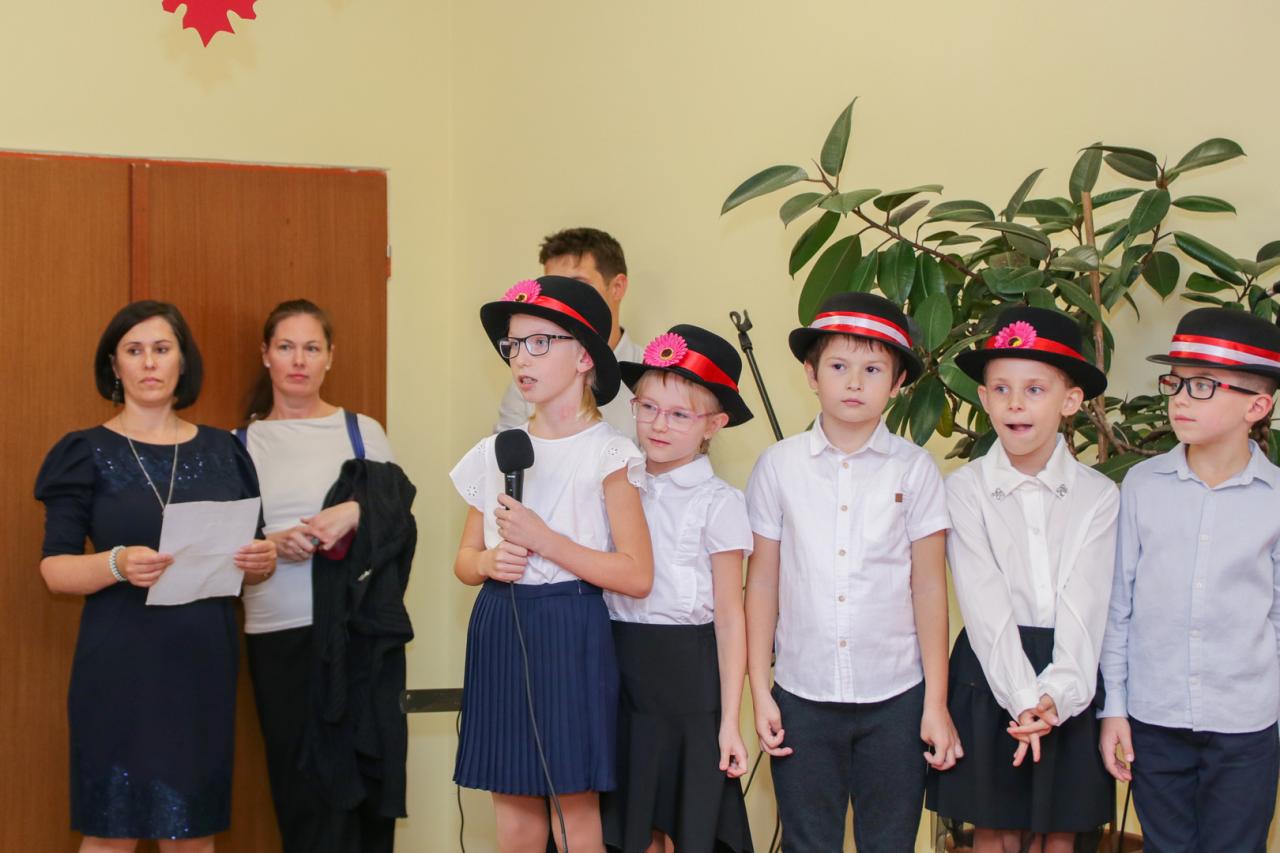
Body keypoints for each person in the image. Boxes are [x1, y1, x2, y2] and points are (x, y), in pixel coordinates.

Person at [34, 300, 276, 853]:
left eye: (162, 349)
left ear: (182, 362)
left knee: (191, 836)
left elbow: (251, 553)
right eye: (134, 350)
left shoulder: (225, 451)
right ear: (114, 366)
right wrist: (116, 563)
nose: (149, 363)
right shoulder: (84, 451)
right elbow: (54, 569)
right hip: (118, 666)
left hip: (201, 667)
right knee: (110, 836)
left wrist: (260, 562)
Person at [744, 292, 960, 852]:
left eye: (873, 370)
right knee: (807, 842)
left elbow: (929, 588)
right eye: (839, 366)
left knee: (889, 843)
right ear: (811, 374)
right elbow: (762, 582)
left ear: (898, 382)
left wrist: (934, 703)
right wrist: (760, 691)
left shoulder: (915, 471)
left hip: (896, 697)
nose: (855, 383)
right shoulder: (779, 467)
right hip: (801, 694)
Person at [451, 276, 654, 852]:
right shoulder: (497, 449)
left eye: (540, 343)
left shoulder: (610, 453)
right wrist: (489, 561)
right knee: (513, 808)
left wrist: (546, 541)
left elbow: (637, 574)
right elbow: (464, 561)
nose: (521, 358)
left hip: (570, 626)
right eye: (513, 345)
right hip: (500, 624)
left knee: (572, 803)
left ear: (585, 356)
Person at [926, 307, 1118, 853]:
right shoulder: (963, 490)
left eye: (1035, 389)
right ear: (983, 399)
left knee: (1060, 836)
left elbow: (1085, 603)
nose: (1015, 403)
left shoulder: (1099, 496)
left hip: (1069, 673)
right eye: (1001, 389)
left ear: (1070, 401)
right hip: (991, 672)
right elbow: (983, 601)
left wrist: (1054, 697)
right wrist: (1022, 697)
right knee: (996, 831)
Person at [1099, 307, 1280, 853]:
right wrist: (1114, 707)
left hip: (1246, 724)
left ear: (1257, 406)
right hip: (1155, 717)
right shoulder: (1142, 485)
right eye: (1174, 382)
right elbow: (1119, 606)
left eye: (1202, 386)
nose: (1179, 398)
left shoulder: (1275, 499)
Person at [235, 299, 399, 852]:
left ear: (330, 357)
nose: (299, 360)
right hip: (279, 637)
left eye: (311, 347)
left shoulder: (360, 432)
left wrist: (354, 512)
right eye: (286, 347)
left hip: (357, 636)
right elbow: (220, 550)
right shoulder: (239, 445)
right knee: (301, 791)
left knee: (366, 787)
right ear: (266, 355)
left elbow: (398, 518)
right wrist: (270, 544)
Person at [601, 325, 755, 853]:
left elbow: (731, 616)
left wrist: (730, 721)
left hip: (688, 681)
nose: (658, 424)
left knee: (688, 823)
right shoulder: (616, 484)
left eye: (679, 414)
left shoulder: (720, 502)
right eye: (647, 407)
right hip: (617, 667)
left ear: (714, 423)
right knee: (624, 822)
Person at [496, 227, 643, 438]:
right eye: (553, 288)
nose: (563, 300)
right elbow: (505, 451)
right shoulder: (527, 380)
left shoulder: (650, 380)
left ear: (617, 287)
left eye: (577, 285)